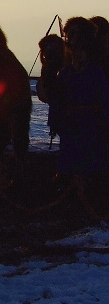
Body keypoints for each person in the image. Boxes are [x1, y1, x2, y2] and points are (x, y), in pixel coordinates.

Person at [48, 17, 109, 187]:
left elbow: (104, 99)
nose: (69, 39)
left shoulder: (96, 72)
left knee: (93, 168)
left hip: (92, 126)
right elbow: (57, 100)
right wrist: (54, 122)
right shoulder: (65, 73)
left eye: (73, 34)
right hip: (70, 126)